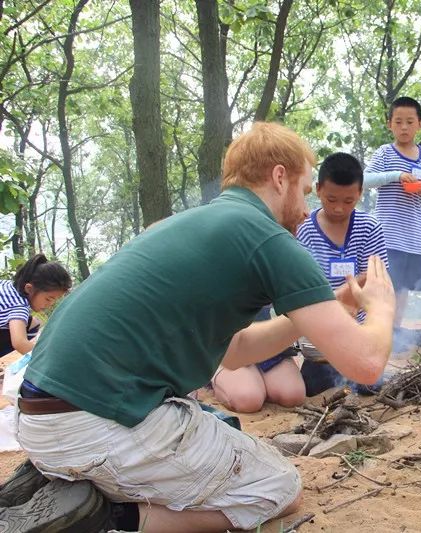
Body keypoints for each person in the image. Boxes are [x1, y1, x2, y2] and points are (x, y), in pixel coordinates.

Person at [5, 122, 395, 533]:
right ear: (280, 177)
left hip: (39, 418)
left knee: (218, 433)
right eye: (303, 191)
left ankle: (66, 483)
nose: (304, 210)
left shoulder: (194, 223)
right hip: (95, 422)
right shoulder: (267, 238)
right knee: (277, 488)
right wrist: (382, 307)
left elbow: (235, 350)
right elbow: (367, 364)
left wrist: (335, 304)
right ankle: (106, 518)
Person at [296, 152, 390, 395]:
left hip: (358, 333)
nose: (339, 208)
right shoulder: (304, 229)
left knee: (372, 385)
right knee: (314, 386)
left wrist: (349, 294)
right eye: (331, 199)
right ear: (317, 190)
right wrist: (348, 291)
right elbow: (302, 284)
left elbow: (377, 278)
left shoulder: (369, 227)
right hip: (320, 336)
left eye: (349, 201)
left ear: (360, 193)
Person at [364, 96, 421, 339]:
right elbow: (364, 180)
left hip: (415, 235)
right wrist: (397, 175)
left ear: (420, 124)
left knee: (405, 287)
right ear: (389, 125)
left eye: (410, 121)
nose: (404, 127)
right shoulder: (385, 153)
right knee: (387, 284)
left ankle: (395, 332)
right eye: (398, 122)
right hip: (388, 234)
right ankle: (379, 330)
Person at [0, 254, 71, 356]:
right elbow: (20, 343)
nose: (50, 304)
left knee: (33, 323)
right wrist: (46, 358)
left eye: (54, 300)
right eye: (48, 299)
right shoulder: (18, 307)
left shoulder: (7, 285)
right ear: (29, 288)